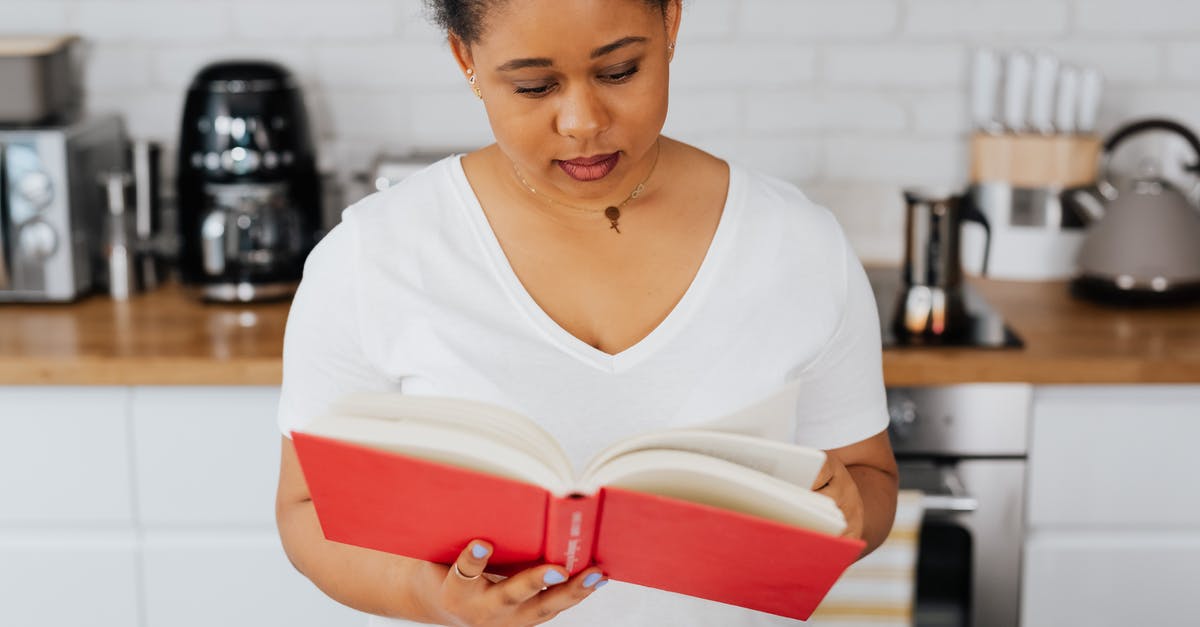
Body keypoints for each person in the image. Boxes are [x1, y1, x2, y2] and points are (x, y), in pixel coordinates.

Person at [275, 0, 899, 625]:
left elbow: (869, 480)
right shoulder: (374, 255)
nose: (582, 122)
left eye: (620, 71)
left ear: (671, 26)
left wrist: (848, 518)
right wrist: (429, 595)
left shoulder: (797, 243)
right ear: (467, 60)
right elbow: (306, 511)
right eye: (533, 86)